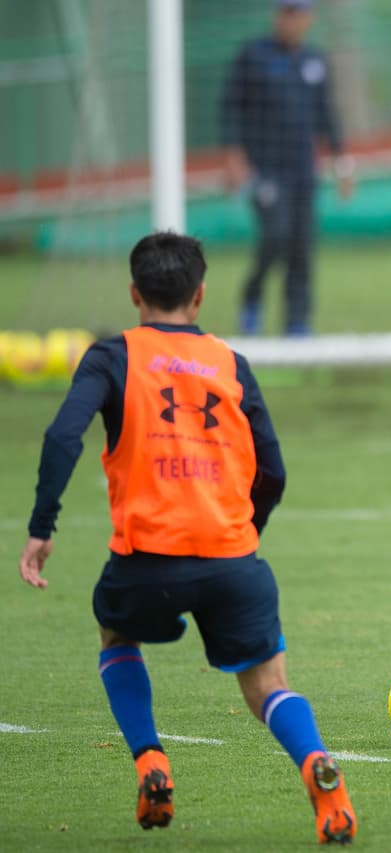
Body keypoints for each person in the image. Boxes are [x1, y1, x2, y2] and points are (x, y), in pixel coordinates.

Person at [18, 232, 356, 845]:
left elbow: (62, 438)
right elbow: (273, 470)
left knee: (116, 633)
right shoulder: (231, 364)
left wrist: (42, 527)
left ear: (134, 293)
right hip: (232, 559)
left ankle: (150, 760)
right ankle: (316, 766)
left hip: (145, 560)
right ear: (199, 297)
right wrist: (243, 535)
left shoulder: (111, 355)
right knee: (268, 689)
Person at [220, 0, 355, 337]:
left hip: (302, 172)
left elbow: (326, 115)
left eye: (298, 13)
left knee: (302, 247)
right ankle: (252, 299)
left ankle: (297, 321)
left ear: (308, 18)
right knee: (275, 237)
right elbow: (230, 108)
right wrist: (234, 157)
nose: (291, 20)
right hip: (265, 169)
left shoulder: (315, 61)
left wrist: (341, 161)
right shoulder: (253, 56)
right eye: (285, 12)